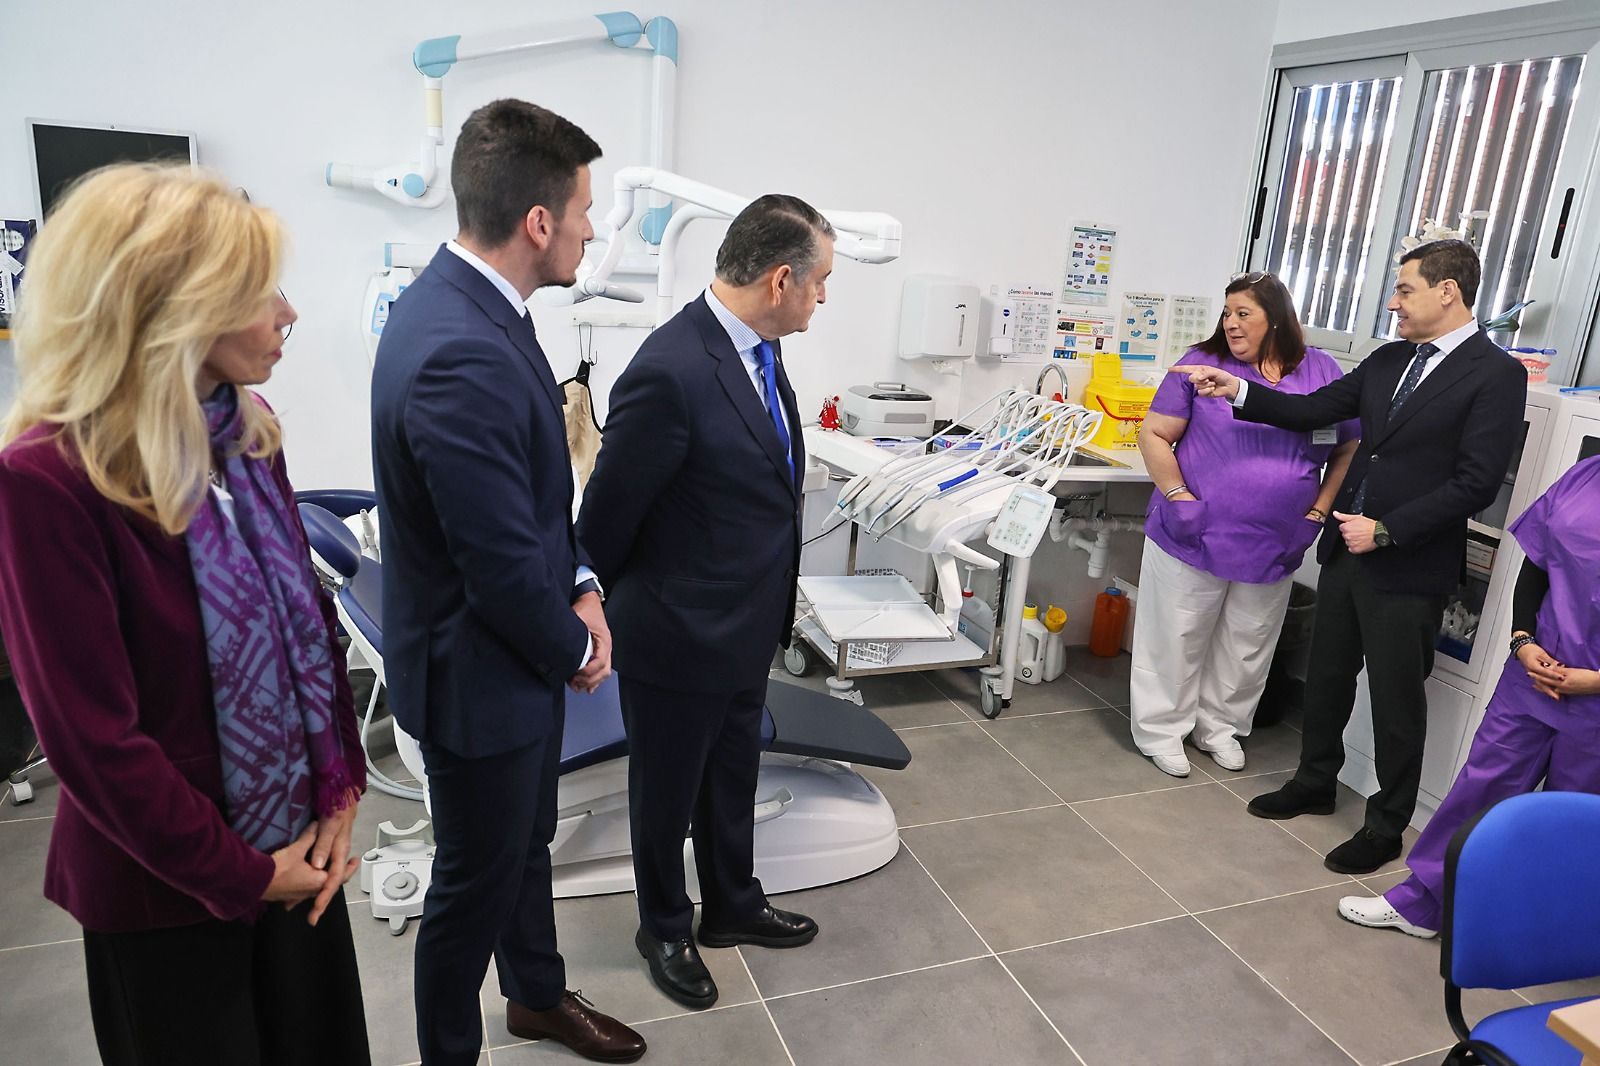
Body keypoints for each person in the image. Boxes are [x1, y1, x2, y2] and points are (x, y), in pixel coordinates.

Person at [0, 163, 370, 1066]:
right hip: (169, 885)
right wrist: (244, 874)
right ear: (166, 305)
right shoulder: (48, 479)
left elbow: (308, 631)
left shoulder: (246, 430)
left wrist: (342, 785)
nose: (287, 314)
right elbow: (94, 741)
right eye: (257, 293)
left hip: (295, 842)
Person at [370, 100, 644, 1065]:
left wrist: (581, 581)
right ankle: (452, 1053)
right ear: (537, 221)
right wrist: (577, 646)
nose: (590, 228)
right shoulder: (460, 348)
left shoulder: (488, 310)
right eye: (582, 210)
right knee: (469, 890)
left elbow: (533, 502)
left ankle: (535, 995)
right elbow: (490, 563)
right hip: (479, 678)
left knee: (524, 850)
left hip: (512, 663)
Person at [1173, 239, 1527, 875]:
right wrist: (1238, 391)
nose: (1393, 303)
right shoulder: (1391, 359)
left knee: (1395, 702)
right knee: (1329, 678)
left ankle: (1386, 825)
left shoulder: (1496, 375)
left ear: (1447, 291)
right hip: (1346, 551)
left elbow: (1475, 483)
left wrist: (1386, 530)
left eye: (1404, 289)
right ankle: (1314, 782)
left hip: (1406, 562)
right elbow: (1313, 410)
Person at [576, 195, 826, 1009]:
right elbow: (605, 522)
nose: (823, 299)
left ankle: (732, 903)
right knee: (666, 792)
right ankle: (666, 926)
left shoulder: (761, 349)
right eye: (819, 283)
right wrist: (597, 618)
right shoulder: (670, 369)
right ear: (781, 279)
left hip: (747, 622)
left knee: (732, 775)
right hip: (678, 633)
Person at [1338, 455, 1600, 937]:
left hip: (1596, 699)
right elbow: (1539, 565)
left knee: (1575, 819)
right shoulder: (1587, 476)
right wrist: (1523, 640)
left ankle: (1545, 935)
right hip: (1534, 675)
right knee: (1481, 787)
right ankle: (1422, 905)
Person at [1131, 272, 1358, 778]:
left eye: (1243, 314)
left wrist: (1318, 512)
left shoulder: (1320, 370)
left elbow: (1347, 449)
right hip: (1195, 528)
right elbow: (1154, 434)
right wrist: (1177, 495)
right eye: (1227, 313)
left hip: (1276, 538)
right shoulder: (1201, 364)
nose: (1231, 324)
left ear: (1276, 318)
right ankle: (1162, 731)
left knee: (1248, 640)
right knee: (1177, 633)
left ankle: (1221, 729)